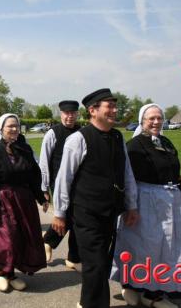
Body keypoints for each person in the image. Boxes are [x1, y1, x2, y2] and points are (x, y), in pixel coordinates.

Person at [52, 88, 139, 308]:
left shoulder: (118, 137)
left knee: (101, 262)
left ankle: (86, 302)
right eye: (109, 106)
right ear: (93, 110)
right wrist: (59, 213)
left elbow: (126, 172)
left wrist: (132, 205)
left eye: (114, 106)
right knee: (95, 264)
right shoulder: (78, 139)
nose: (114, 110)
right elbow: (64, 179)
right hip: (86, 212)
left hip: (111, 212)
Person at [110, 104, 181, 308]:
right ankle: (131, 286)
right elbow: (124, 178)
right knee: (141, 248)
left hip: (171, 203)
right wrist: (125, 206)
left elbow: (173, 174)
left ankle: (154, 291)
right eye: (151, 118)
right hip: (145, 201)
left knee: (167, 248)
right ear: (142, 121)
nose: (156, 122)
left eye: (159, 118)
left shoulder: (166, 143)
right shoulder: (133, 146)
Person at [0, 113, 49, 292]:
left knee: (22, 238)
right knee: (6, 240)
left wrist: (41, 197)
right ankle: (1, 272)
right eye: (10, 126)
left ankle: (12, 273)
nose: (14, 129)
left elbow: (33, 177)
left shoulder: (24, 149)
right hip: (3, 201)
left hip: (24, 201)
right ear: (1, 129)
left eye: (16, 126)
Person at [39, 100, 82, 270]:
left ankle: (55, 246)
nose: (69, 116)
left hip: (79, 184)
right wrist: (44, 189)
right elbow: (44, 162)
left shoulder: (81, 132)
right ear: (61, 114)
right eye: (66, 113)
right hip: (59, 184)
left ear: (77, 114)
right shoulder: (53, 133)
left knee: (76, 218)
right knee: (70, 217)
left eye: (73, 113)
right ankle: (56, 246)